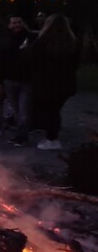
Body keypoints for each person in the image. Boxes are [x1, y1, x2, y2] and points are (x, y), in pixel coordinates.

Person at [28, 14, 80, 150]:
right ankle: (52, 134)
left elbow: (33, 60)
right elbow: (75, 64)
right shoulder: (72, 42)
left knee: (49, 111)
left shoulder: (42, 41)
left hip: (47, 83)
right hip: (65, 84)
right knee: (55, 110)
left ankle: (52, 139)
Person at [0, 15, 36, 145]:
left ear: (23, 23)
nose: (17, 25)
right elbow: (1, 62)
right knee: (16, 109)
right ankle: (20, 133)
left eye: (19, 22)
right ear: (9, 25)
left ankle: (22, 137)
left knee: (23, 109)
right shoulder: (5, 39)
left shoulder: (31, 38)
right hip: (9, 80)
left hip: (26, 80)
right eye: (14, 23)